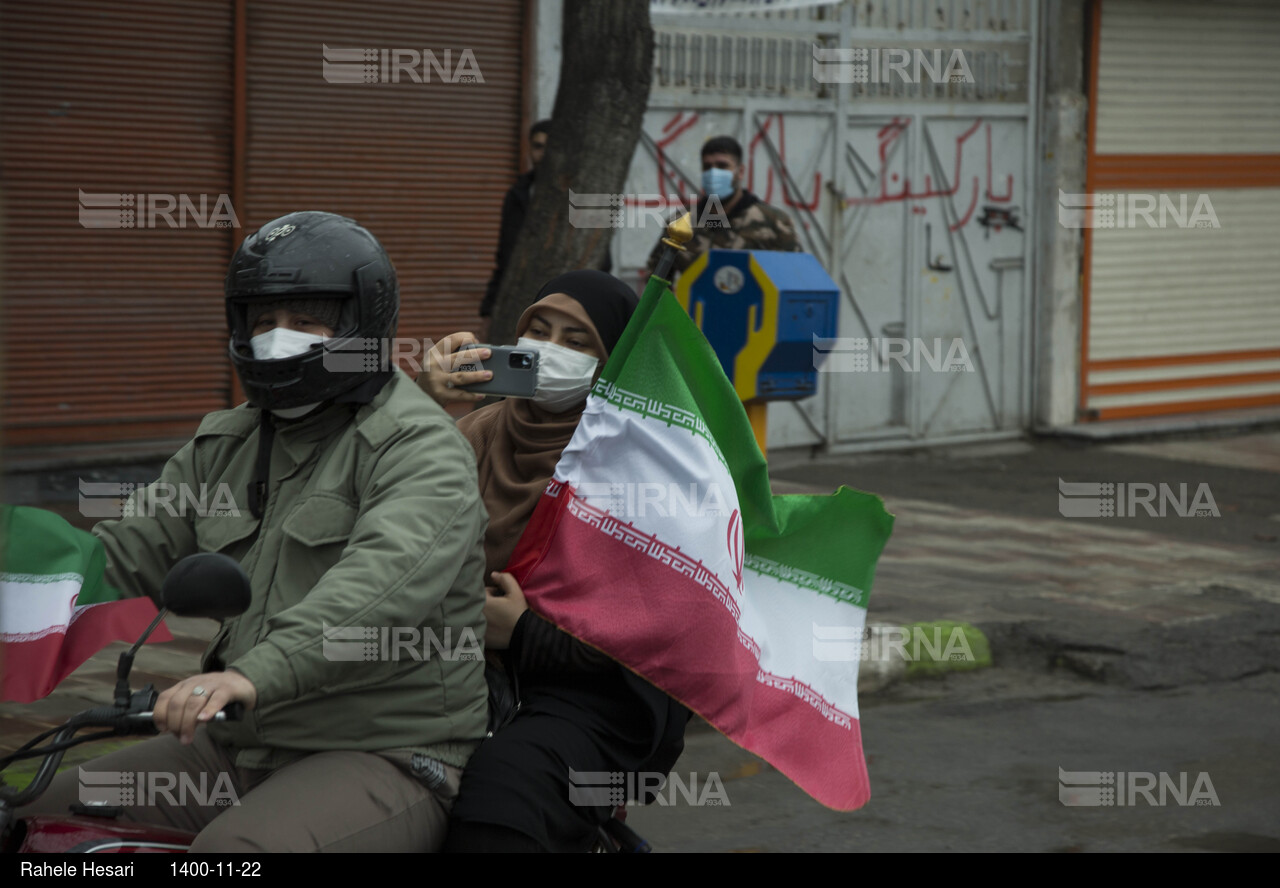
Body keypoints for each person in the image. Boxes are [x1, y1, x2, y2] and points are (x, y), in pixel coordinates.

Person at [20, 211, 490, 852]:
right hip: (238, 742)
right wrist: (23, 578)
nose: (277, 338)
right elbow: (125, 553)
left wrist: (249, 675)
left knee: (230, 861)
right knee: (32, 823)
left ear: (362, 324)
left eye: (304, 321)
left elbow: (381, 588)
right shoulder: (230, 441)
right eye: (262, 320)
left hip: (380, 750)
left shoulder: (417, 447)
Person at [418, 270, 690, 853]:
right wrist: (422, 403)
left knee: (498, 801)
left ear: (613, 362)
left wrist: (524, 634)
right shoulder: (476, 432)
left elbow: (654, 639)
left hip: (590, 696)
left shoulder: (642, 469)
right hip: (458, 672)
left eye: (577, 341)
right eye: (538, 331)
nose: (549, 351)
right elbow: (385, 517)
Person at [480, 120, 611, 324]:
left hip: (575, 305)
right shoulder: (518, 194)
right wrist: (488, 311)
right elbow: (505, 257)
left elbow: (602, 260)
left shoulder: (586, 196)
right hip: (523, 303)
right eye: (538, 146)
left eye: (551, 147)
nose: (544, 154)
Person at [646, 134, 803, 278]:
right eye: (707, 167)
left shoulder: (774, 223)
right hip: (693, 308)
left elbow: (797, 277)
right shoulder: (681, 223)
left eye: (722, 166)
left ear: (740, 171)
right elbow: (655, 278)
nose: (713, 173)